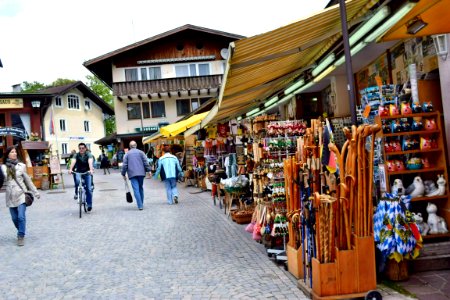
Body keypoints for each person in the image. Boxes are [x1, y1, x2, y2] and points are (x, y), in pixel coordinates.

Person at [1, 146, 40, 246]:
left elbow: (28, 180)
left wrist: (35, 192)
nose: (15, 154)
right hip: (10, 196)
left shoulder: (21, 166)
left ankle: (20, 235)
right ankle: (21, 229)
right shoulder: (3, 167)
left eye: (15, 152)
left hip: (21, 194)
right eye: (12, 152)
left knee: (21, 217)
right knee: (14, 218)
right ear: (8, 154)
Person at [121, 141, 151, 210]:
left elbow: (124, 165)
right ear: (136, 145)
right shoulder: (141, 152)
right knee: (140, 187)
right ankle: (141, 203)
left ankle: (140, 205)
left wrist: (123, 174)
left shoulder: (127, 154)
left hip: (132, 174)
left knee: (136, 189)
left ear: (129, 146)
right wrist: (149, 170)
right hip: (141, 173)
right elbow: (145, 162)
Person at [69, 142, 94, 211]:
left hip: (87, 172)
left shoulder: (88, 154)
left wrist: (91, 170)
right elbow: (73, 161)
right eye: (80, 148)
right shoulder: (76, 155)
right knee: (77, 181)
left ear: (85, 148)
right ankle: (77, 193)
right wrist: (70, 169)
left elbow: (90, 161)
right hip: (78, 172)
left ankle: (89, 204)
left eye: (83, 148)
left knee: (89, 189)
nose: (81, 149)